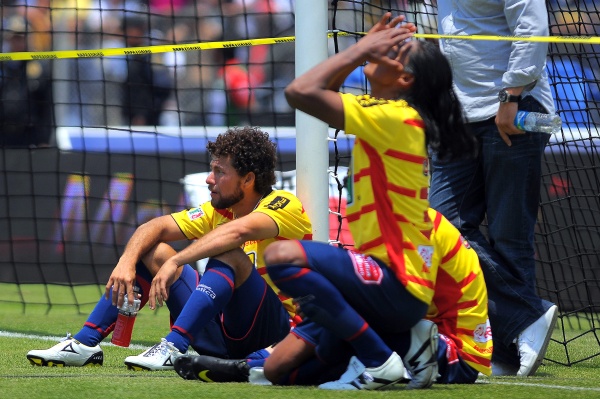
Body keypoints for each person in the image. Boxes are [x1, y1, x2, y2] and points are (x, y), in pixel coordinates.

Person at [213, 13, 474, 391]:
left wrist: (358, 50)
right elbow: (322, 95)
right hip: (385, 285)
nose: (384, 47)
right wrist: (360, 53)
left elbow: (299, 92)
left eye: (395, 50)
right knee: (280, 371)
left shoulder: (395, 119)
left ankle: (381, 360)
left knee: (282, 256)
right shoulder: (386, 112)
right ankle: (395, 348)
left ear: (405, 80)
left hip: (397, 284)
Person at [26, 127, 312, 369]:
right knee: (151, 249)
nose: (208, 179)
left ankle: (173, 347)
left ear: (248, 179)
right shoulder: (218, 210)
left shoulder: (284, 204)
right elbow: (155, 227)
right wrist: (127, 260)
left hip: (274, 333)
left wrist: (176, 263)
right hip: (221, 333)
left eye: (219, 172)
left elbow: (237, 232)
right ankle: (84, 344)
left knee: (226, 250)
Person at [173, 208, 493, 387]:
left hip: (454, 352)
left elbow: (403, 303)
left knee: (340, 329)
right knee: (336, 334)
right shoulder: (395, 222)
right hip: (416, 329)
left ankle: (252, 367)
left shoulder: (417, 224)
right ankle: (253, 368)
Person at [430, 0, 559, 377]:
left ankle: (508, 350)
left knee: (510, 238)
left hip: (513, 110)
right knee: (441, 226)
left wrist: (511, 96)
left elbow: (532, 26)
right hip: (457, 116)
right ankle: (526, 319)